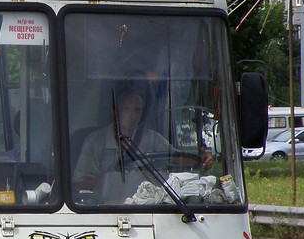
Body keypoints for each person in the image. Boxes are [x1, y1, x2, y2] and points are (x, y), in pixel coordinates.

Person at [73, 86, 212, 201]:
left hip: (147, 207)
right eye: (126, 109)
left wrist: (201, 160)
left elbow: (176, 158)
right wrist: (111, 182)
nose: (132, 115)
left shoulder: (151, 138)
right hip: (105, 209)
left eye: (137, 110)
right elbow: (79, 184)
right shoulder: (95, 142)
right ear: (113, 112)